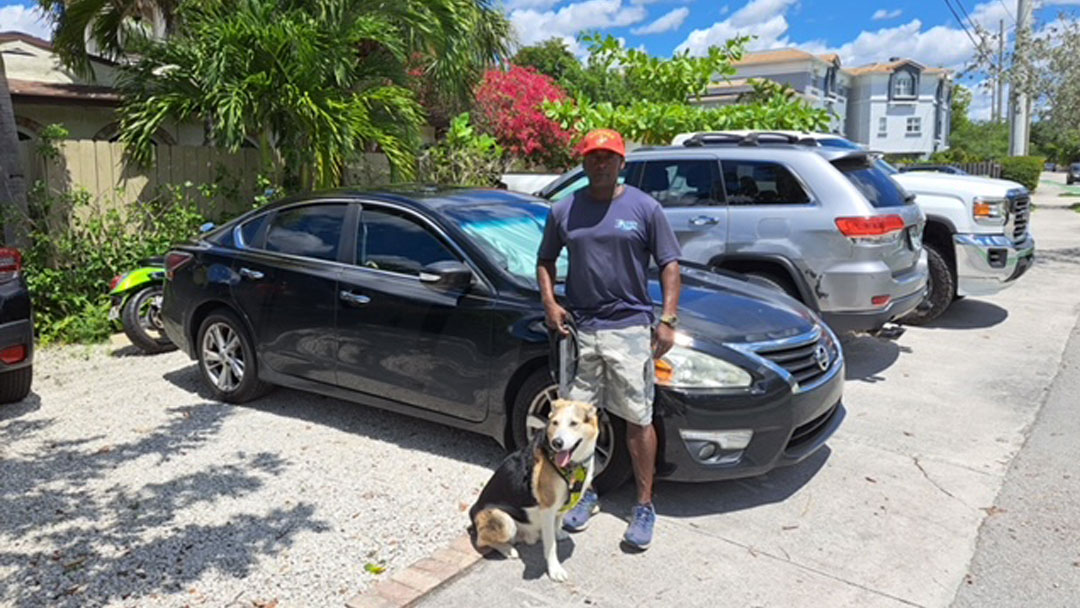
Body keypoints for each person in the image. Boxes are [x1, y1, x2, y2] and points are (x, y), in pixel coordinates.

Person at [536, 128, 682, 550]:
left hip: (630, 329)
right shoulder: (564, 210)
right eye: (593, 156)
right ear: (583, 162)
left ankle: (644, 505)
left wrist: (668, 318)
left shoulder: (644, 208)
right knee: (578, 423)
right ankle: (586, 493)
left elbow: (670, 263)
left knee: (638, 419)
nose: (600, 162)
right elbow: (545, 260)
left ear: (622, 163)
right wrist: (550, 303)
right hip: (581, 331)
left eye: (608, 156)